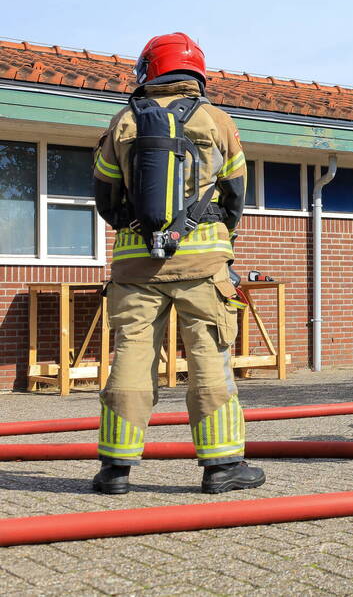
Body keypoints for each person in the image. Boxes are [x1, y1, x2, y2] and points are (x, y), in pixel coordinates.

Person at [92, 32, 263, 494]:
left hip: (135, 266)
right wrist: (218, 237)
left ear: (149, 69)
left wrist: (132, 225)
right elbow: (235, 194)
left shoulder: (124, 121)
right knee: (208, 357)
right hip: (203, 264)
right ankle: (222, 467)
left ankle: (115, 470)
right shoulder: (216, 120)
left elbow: (105, 194)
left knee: (131, 357)